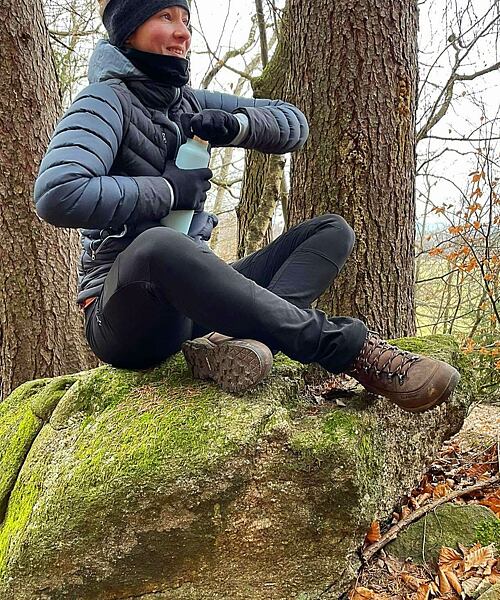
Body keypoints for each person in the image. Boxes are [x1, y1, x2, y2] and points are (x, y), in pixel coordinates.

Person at [34, 0, 460, 413]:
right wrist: (166, 191)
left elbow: (293, 123)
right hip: (126, 317)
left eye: (185, 18)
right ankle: (347, 349)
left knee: (330, 231)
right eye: (166, 16)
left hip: (192, 310)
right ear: (129, 29)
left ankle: (244, 344)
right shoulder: (102, 101)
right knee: (158, 245)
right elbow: (58, 193)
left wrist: (236, 125)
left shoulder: (189, 102)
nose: (183, 32)